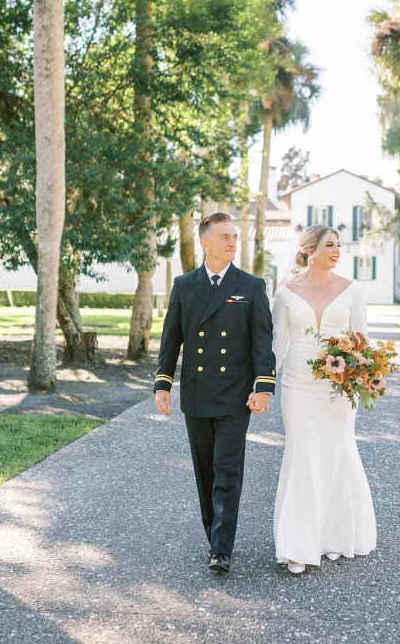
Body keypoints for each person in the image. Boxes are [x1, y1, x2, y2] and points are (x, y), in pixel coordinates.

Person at [154, 213, 276, 574]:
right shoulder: (184, 285)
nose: (232, 242)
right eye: (224, 236)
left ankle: (221, 549)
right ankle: (215, 537)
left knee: (227, 471)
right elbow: (170, 340)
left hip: (236, 396)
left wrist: (264, 386)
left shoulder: (251, 286)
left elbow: (262, 341)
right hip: (197, 393)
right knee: (205, 472)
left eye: (234, 236)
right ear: (205, 242)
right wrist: (163, 384)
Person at [272, 224, 376, 574]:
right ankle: (298, 545)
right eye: (329, 245)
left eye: (338, 245)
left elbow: (361, 341)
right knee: (302, 455)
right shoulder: (286, 292)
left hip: (339, 390)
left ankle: (334, 537)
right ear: (310, 249)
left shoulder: (351, 290)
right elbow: (278, 344)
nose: (336, 251)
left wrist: (361, 375)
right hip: (298, 387)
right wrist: (261, 385)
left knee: (336, 453)